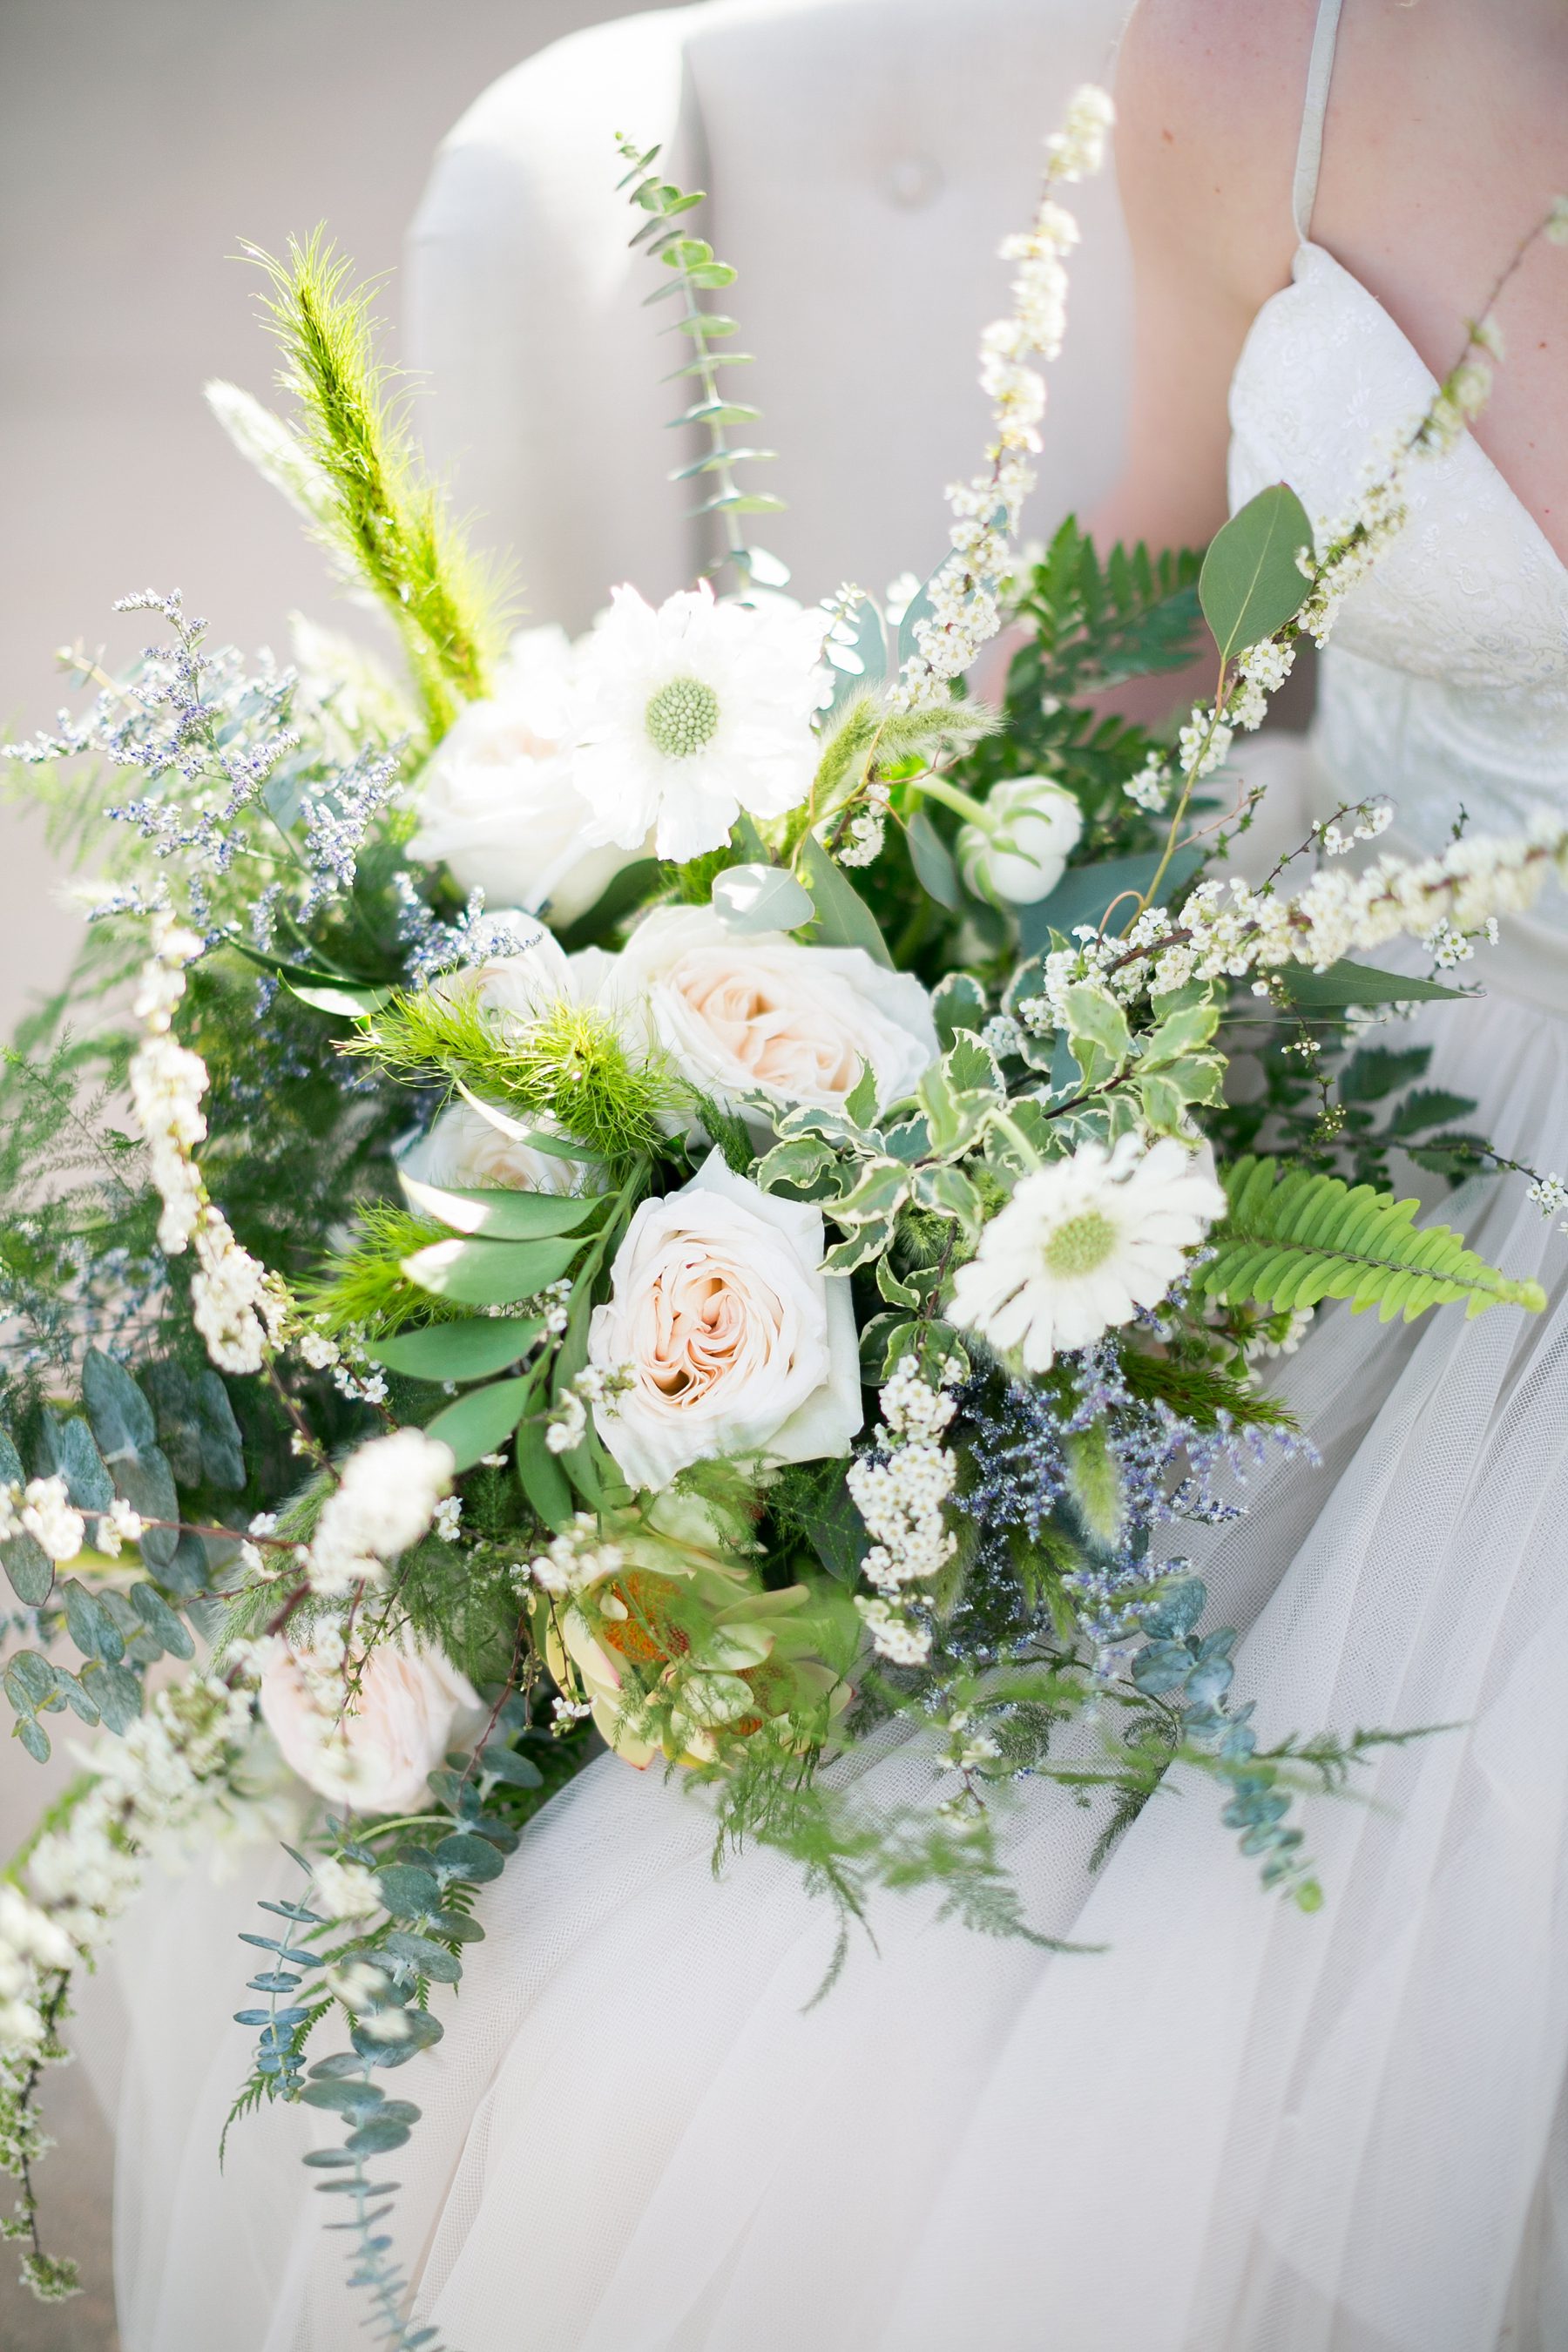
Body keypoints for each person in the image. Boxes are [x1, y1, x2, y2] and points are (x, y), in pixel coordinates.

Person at [106, 4, 1568, 2345]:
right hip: (1345, 1158)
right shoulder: (1269, 55)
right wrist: (756, 988)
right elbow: (1138, 649)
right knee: (702, 2040)